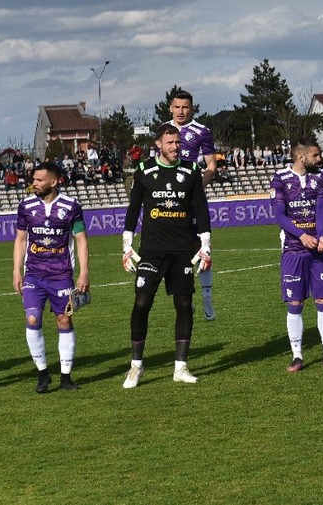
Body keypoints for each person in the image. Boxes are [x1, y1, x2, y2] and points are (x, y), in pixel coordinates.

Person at [120, 123, 212, 388]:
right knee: (142, 303)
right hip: (152, 250)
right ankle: (136, 366)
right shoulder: (144, 170)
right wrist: (127, 244)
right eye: (170, 143)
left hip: (183, 249)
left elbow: (200, 209)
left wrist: (205, 243)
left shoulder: (191, 170)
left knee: (184, 305)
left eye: (178, 142)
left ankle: (180, 367)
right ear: (158, 144)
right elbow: (134, 208)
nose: (175, 147)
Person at [12, 162, 89, 393]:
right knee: (33, 320)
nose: (33, 183)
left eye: (38, 180)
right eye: (33, 179)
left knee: (63, 320)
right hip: (34, 274)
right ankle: (43, 374)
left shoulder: (71, 206)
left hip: (61, 275)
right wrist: (17, 270)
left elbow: (81, 239)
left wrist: (84, 272)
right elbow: (20, 239)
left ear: (53, 182)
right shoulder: (25, 206)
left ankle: (66, 377)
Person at [269, 138, 323, 372]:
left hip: (318, 249)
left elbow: (321, 208)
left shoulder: (321, 177)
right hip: (293, 249)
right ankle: (297, 356)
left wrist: (321, 236)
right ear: (302, 158)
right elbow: (280, 215)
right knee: (295, 301)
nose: (320, 159)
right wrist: (302, 236)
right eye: (316, 156)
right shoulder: (280, 179)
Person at [164, 89, 219, 321]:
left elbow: (211, 166)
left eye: (185, 107)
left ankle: (207, 297)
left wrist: (195, 190)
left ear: (192, 108)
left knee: (201, 245)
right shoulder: (163, 131)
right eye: (177, 107)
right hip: (168, 202)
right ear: (170, 108)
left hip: (192, 202)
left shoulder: (201, 131)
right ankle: (185, 299)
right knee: (173, 251)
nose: (181, 111)